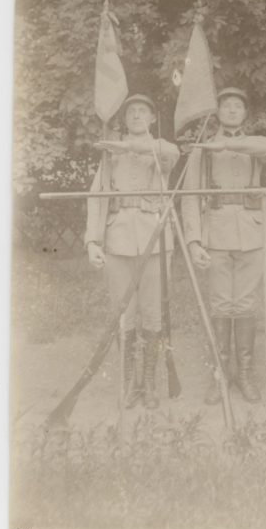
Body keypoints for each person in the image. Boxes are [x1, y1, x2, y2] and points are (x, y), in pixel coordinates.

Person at [181, 88, 266, 404]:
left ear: (245, 113)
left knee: (247, 304)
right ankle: (222, 373)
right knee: (222, 304)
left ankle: (245, 374)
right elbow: (191, 195)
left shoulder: (255, 144)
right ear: (218, 111)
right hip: (216, 232)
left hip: (252, 233)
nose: (233, 110)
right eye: (226, 106)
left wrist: (227, 143)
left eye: (238, 106)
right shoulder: (203, 150)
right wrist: (194, 241)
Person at [85, 94, 180, 409]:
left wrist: (125, 145)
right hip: (119, 238)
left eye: (144, 111)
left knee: (152, 314)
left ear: (153, 118)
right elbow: (97, 197)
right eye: (131, 112)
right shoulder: (110, 154)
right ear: (124, 119)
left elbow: (170, 155)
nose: (137, 115)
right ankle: (130, 383)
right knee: (124, 314)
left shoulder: (162, 148)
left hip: (155, 238)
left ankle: (149, 384)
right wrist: (92, 241)